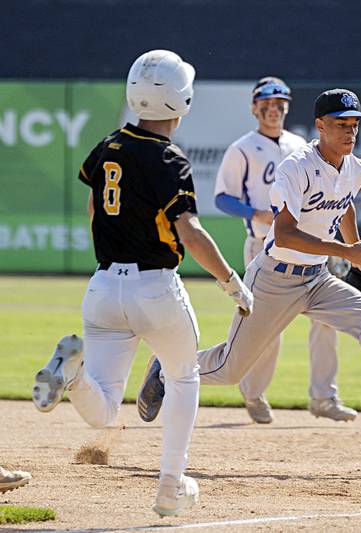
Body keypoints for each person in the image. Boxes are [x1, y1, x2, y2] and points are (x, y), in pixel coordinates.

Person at [140, 89, 361, 468]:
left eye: (355, 124)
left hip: (317, 280)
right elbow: (285, 234)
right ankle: (166, 368)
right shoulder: (295, 167)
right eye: (341, 124)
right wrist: (347, 252)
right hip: (274, 278)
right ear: (320, 126)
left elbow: (343, 203)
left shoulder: (356, 168)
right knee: (230, 370)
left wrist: (356, 248)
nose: (350, 131)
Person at [30, 50, 253, 516]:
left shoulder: (110, 144)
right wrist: (231, 281)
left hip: (104, 286)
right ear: (182, 99)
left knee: (105, 408)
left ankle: (71, 373)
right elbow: (190, 233)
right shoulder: (169, 157)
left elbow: (96, 207)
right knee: (184, 375)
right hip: (155, 287)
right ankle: (170, 485)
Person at [210, 76, 355, 424]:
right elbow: (222, 197)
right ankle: (255, 394)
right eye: (266, 104)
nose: (273, 110)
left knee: (326, 322)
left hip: (311, 247)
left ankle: (324, 397)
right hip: (264, 247)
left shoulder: (300, 145)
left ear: (287, 108)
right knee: (266, 330)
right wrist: (253, 212)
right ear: (254, 108)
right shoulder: (242, 148)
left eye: (280, 104)